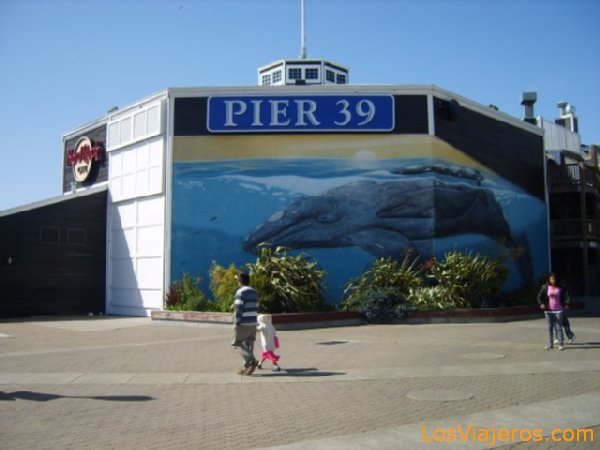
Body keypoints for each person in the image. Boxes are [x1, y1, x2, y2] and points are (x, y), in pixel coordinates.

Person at [231, 272, 259, 375]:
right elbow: (256, 306)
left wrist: (237, 320)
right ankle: (245, 368)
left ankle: (252, 361)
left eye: (238, 280)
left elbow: (239, 308)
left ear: (240, 281)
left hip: (243, 322)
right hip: (253, 321)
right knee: (249, 344)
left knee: (236, 343)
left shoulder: (240, 292)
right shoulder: (254, 292)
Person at [537, 273, 570, 350]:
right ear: (549, 280)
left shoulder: (561, 288)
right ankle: (550, 344)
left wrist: (567, 303)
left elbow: (567, 295)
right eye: (551, 279)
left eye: (554, 279)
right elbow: (539, 297)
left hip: (559, 310)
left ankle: (561, 344)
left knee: (559, 327)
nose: (553, 280)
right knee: (550, 327)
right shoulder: (545, 288)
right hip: (548, 311)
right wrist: (541, 304)